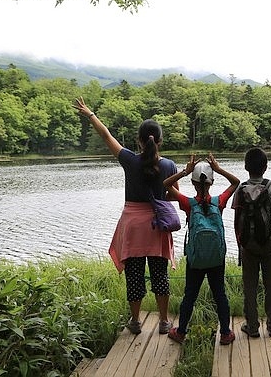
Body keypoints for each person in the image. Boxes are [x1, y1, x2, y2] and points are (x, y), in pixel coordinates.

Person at [73, 96, 177, 336]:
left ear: (139, 141)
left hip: (132, 227)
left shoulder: (130, 160)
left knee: (134, 276)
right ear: (159, 140)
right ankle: (163, 322)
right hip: (157, 226)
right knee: (160, 274)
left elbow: (106, 135)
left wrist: (90, 114)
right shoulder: (170, 165)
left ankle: (135, 322)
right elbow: (173, 197)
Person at [163, 154, 240, 345]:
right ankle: (225, 333)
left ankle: (180, 332)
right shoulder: (219, 201)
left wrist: (184, 171)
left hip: (196, 259)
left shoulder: (189, 204)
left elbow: (165, 184)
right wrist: (220, 169)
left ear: (193, 182)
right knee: (219, 293)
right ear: (212, 181)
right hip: (216, 258)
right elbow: (236, 182)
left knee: (190, 294)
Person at [232, 147, 271, 338]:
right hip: (269, 242)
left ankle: (251, 327)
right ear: (265, 167)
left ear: (245, 167)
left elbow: (237, 218)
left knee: (249, 286)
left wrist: (240, 243)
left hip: (248, 244)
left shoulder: (240, 189)